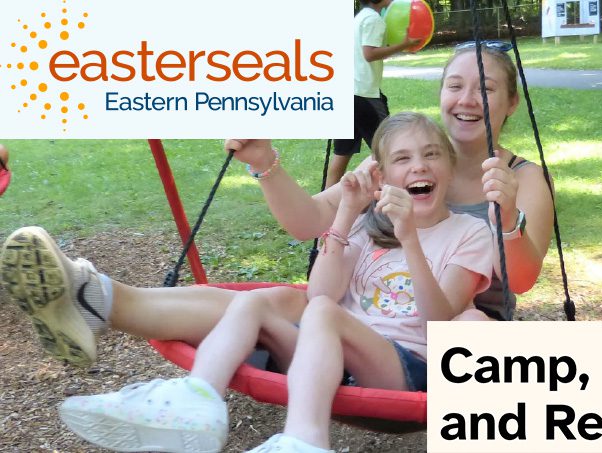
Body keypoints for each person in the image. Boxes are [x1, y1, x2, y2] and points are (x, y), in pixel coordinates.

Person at [0, 41, 553, 371]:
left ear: (508, 102)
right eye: (454, 85)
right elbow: (307, 221)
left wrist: (506, 221)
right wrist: (266, 164)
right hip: (368, 311)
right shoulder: (408, 161)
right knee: (269, 301)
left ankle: (93, 298)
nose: (465, 100)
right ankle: (91, 295)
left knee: (295, 312)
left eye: (483, 89)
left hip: (455, 335)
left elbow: (523, 279)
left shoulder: (520, 178)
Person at [56, 112, 494, 453]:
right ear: (381, 177)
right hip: (330, 366)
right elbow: (322, 293)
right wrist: (347, 213)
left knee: (319, 311)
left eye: (432, 154)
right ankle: (197, 398)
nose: (420, 165)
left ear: (449, 165)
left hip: (408, 372)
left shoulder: (468, 233)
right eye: (403, 158)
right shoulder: (367, 227)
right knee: (262, 302)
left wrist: (410, 240)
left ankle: (305, 439)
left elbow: (442, 323)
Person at [327, 0, 420, 188]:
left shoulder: (360, 17)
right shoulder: (374, 19)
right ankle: (397, 196)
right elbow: (370, 54)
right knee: (390, 149)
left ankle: (324, 202)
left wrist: (401, 47)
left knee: (342, 153)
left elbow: (368, 53)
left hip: (349, 93)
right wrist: (403, 45)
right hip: (365, 95)